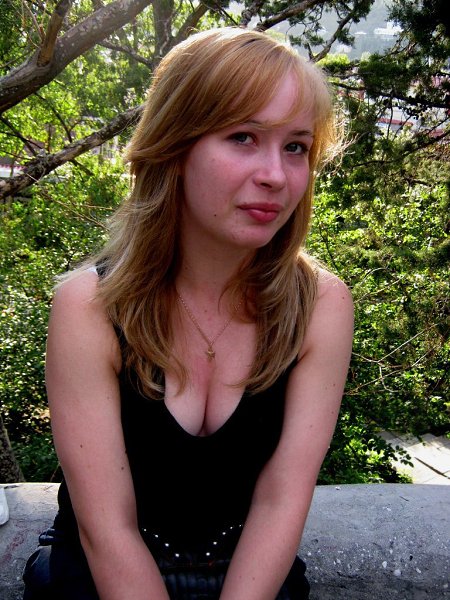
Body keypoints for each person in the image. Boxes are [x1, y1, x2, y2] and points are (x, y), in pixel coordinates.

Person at [22, 26, 353, 600]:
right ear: (175, 147)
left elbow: (281, 498)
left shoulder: (320, 306)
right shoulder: (90, 307)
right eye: (244, 137)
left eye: (296, 147)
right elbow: (108, 529)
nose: (276, 175)